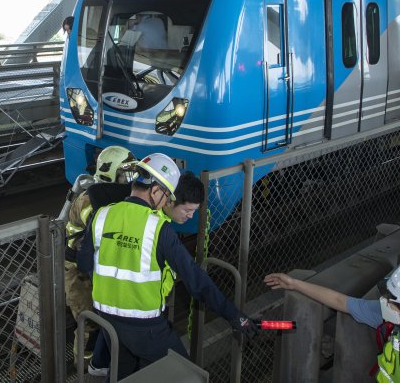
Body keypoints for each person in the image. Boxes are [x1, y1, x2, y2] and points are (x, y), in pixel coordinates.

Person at [77, 153, 257, 379]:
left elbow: (84, 264)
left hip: (106, 320)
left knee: (124, 375)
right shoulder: (158, 229)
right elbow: (196, 281)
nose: (166, 203)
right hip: (146, 328)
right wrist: (233, 315)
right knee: (187, 375)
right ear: (155, 191)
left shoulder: (101, 215)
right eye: (166, 196)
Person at [265, 263, 400, 382]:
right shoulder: (391, 321)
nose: (383, 303)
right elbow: (340, 301)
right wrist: (294, 284)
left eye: (392, 302)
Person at [65, 146, 137, 373]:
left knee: (101, 320)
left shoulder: (108, 195)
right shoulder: (89, 201)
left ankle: (98, 364)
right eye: (125, 173)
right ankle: (83, 370)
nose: (129, 179)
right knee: (89, 324)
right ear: (110, 174)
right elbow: (98, 236)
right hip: (79, 273)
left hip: (96, 269)